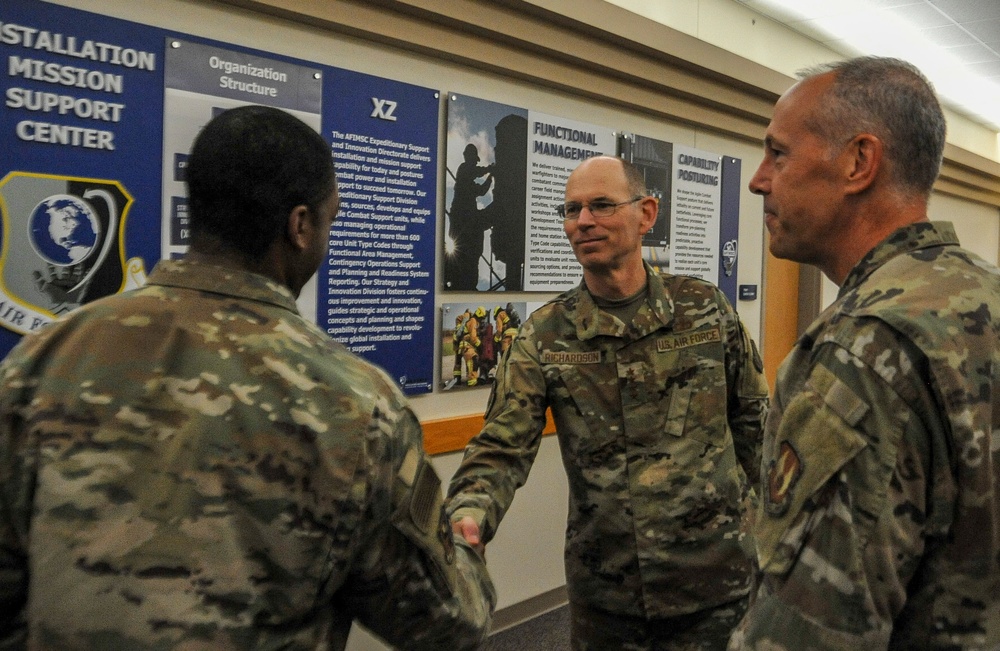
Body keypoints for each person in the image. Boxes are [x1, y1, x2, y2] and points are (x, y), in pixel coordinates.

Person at [0, 105, 495, 650]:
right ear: (300, 225)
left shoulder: (43, 361)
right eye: (331, 219)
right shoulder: (355, 404)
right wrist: (465, 551)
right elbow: (446, 623)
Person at [730, 56, 1000, 649]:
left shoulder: (864, 348)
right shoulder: (985, 292)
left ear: (858, 163)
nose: (758, 179)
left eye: (778, 153)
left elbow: (812, 630)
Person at [448, 155, 769, 650]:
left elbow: (754, 426)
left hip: (717, 580)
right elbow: (501, 445)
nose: (582, 222)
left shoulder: (703, 310)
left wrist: (778, 532)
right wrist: (470, 510)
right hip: (610, 595)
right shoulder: (545, 334)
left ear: (646, 214)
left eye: (600, 205)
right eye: (571, 209)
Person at [446, 143, 494, 290]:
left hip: (467, 219)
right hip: (462, 217)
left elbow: (482, 190)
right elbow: (475, 171)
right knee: (462, 251)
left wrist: (490, 176)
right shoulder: (464, 169)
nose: (473, 162)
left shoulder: (469, 183)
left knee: (471, 253)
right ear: (468, 157)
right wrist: (489, 170)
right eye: (473, 159)